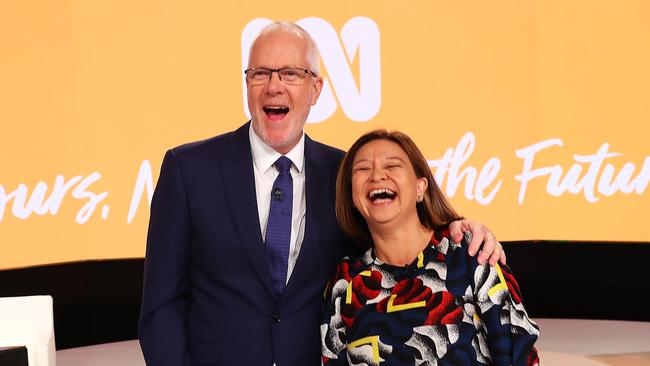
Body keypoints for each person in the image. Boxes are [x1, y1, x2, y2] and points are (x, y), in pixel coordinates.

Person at [138, 21, 505, 366]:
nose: (274, 86)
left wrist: (461, 229)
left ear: (316, 89)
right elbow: (161, 305)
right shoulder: (188, 170)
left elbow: (399, 235)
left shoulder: (345, 173)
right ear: (246, 85)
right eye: (260, 74)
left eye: (290, 74)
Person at [321, 130, 539, 365]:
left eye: (392, 166)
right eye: (363, 169)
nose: (377, 175)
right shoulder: (344, 284)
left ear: (420, 187)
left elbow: (520, 355)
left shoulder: (471, 253)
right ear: (352, 197)